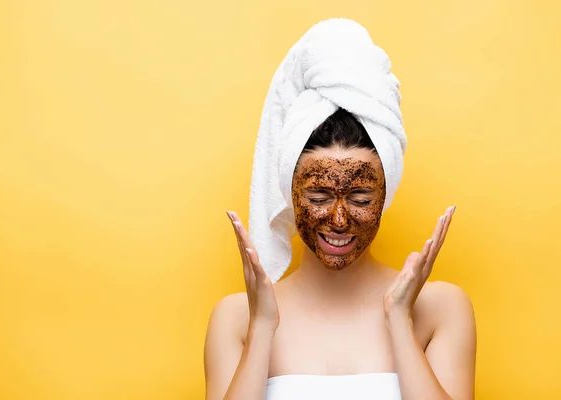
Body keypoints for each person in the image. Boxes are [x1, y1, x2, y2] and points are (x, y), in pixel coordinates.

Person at [204, 20, 476, 400]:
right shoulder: (237, 319)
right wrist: (263, 327)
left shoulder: (441, 308)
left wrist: (399, 320)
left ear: (385, 194)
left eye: (361, 199)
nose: (339, 220)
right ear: (290, 191)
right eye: (318, 197)